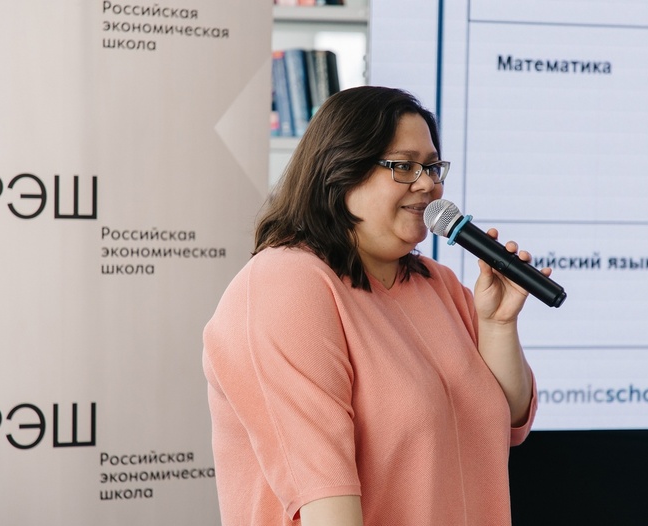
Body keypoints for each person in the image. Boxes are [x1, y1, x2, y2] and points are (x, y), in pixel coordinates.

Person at [202, 86, 546, 525]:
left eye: (432, 167)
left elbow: (509, 420)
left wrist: (498, 325)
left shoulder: (437, 284)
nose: (428, 184)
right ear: (341, 171)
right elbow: (324, 498)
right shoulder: (286, 285)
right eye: (403, 166)